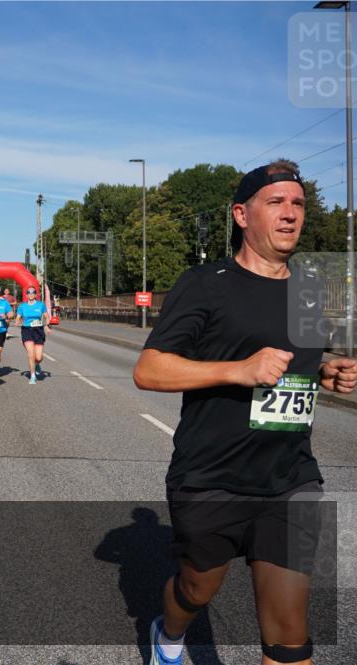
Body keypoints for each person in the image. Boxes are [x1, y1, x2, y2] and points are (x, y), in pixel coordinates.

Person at [133, 160, 357, 665]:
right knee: (196, 588)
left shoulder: (308, 289)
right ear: (241, 214)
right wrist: (240, 370)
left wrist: (326, 370)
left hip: (289, 478)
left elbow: (295, 361)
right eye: (275, 202)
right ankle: (167, 632)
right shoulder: (206, 283)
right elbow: (149, 370)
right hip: (212, 476)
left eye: (297, 204)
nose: (290, 214)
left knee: (289, 636)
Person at [15, 285, 49, 385]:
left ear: (35, 294)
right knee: (31, 354)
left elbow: (46, 316)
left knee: (38, 357)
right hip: (27, 330)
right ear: (26, 295)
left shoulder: (41, 305)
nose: (31, 294)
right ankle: (33, 376)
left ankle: (37, 364)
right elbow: (18, 317)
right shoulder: (22, 306)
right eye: (28, 292)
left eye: (33, 292)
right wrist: (17, 321)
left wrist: (47, 326)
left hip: (39, 331)